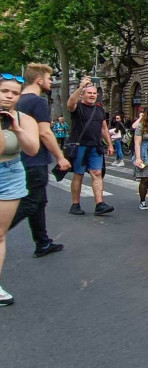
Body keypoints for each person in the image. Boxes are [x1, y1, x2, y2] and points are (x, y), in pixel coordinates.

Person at [9, 63, 69, 259]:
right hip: (35, 159)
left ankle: (42, 242)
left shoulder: (17, 100)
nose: (51, 82)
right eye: (49, 79)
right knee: (30, 203)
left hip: (19, 157)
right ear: (39, 80)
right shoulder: (38, 102)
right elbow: (45, 132)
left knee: (39, 202)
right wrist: (60, 156)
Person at [0, 73, 40, 306]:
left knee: (0, 234)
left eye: (15, 93)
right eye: (4, 91)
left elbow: (32, 149)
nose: (9, 96)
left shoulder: (24, 119)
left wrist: (16, 129)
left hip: (10, 174)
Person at [66, 76, 114, 216]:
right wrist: (81, 87)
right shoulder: (77, 107)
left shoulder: (99, 109)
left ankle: (100, 204)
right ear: (83, 95)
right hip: (80, 146)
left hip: (95, 146)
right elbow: (70, 104)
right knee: (79, 174)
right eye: (89, 93)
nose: (92, 95)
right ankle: (75, 204)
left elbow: (104, 128)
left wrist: (110, 144)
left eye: (94, 93)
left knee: (97, 173)